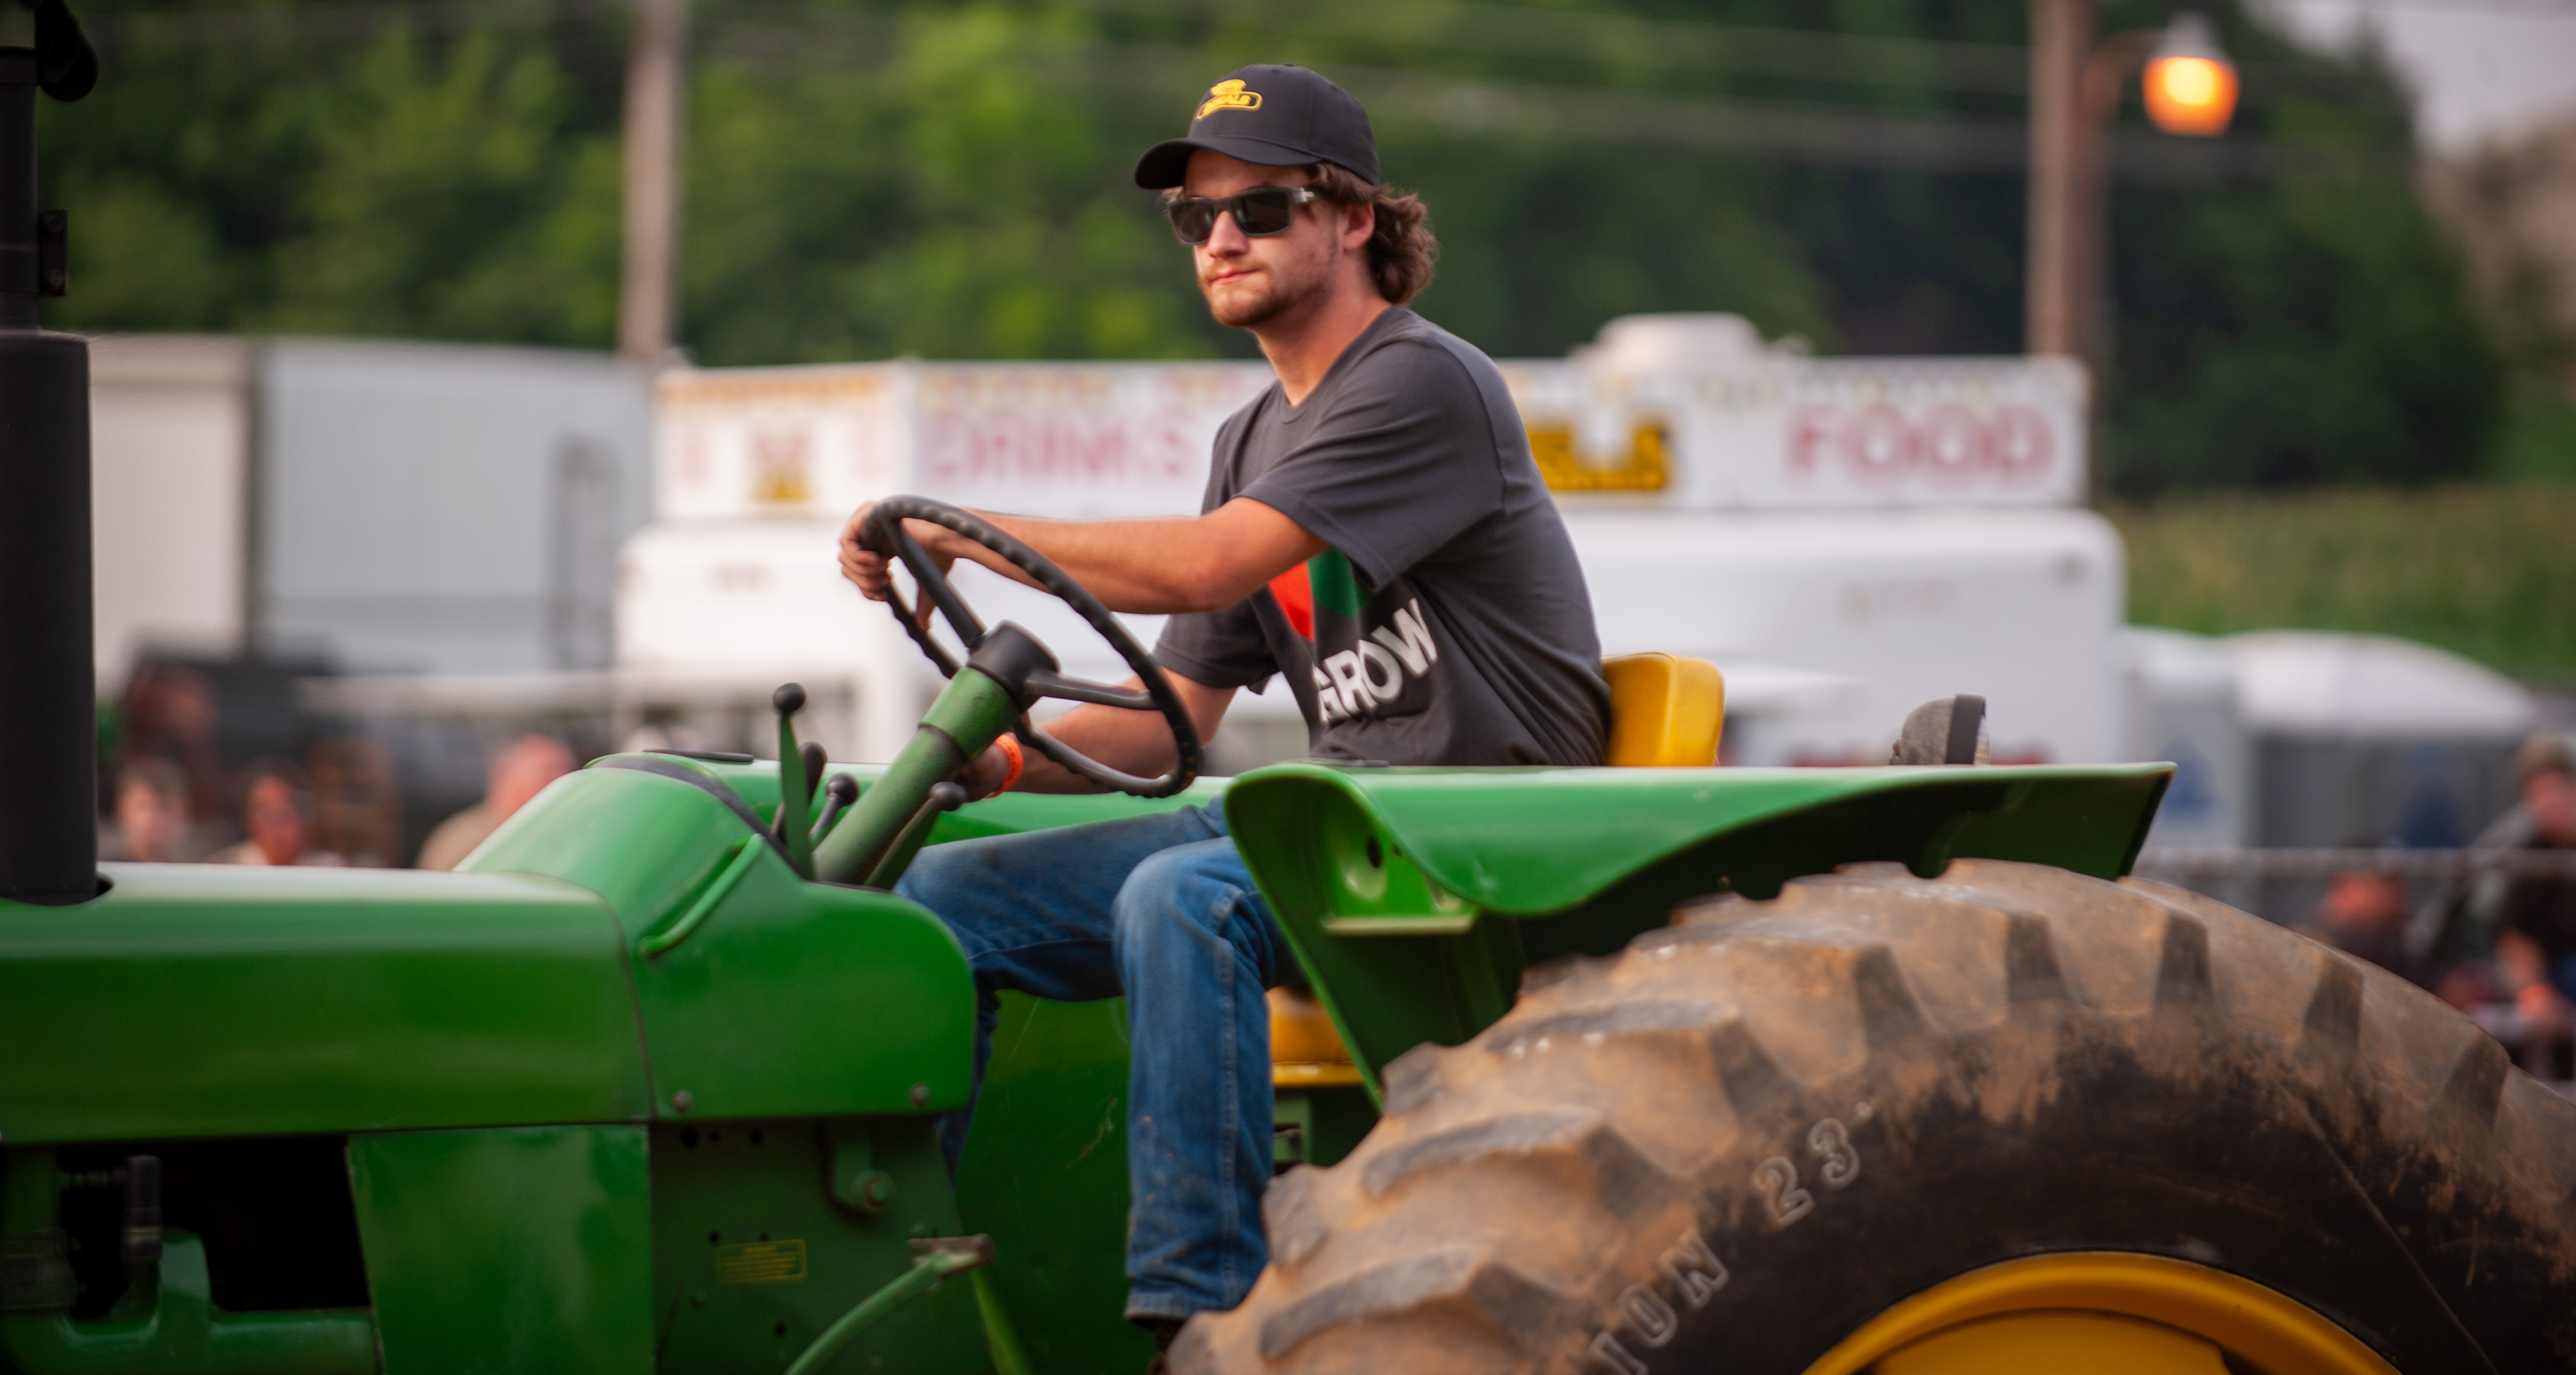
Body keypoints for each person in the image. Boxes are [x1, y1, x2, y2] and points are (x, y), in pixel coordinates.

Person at [836, 64, 1609, 1359]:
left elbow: (1204, 567)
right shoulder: (1255, 437)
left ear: (1352, 218)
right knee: (944, 907)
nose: (1223, 238)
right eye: (1197, 219)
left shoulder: (1420, 383)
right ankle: (905, 1272)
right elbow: (1167, 727)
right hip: (1337, 829)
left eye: (1259, 206)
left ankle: (1204, 1311)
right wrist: (980, 767)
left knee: (1178, 897)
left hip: (1478, 830)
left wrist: (964, 532)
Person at [2496, 734, 2576, 1041]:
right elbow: (2516, 936)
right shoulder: (2532, 859)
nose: (2550, 802)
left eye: (2558, 788)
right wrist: (2535, 993)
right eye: (2538, 794)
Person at [416, 733, 577, 871]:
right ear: (508, 775)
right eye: (549, 770)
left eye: (567, 769)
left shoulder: (557, 830)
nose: (563, 778)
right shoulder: (468, 841)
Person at [213, 760, 345, 867]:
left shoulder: (329, 869)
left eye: (285, 816)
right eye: (270, 814)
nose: (280, 828)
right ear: (249, 820)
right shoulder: (225, 869)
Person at [102, 755, 194, 862]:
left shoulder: (197, 873)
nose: (152, 817)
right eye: (142, 806)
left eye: (163, 806)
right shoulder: (101, 872)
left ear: (182, 811)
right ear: (122, 810)